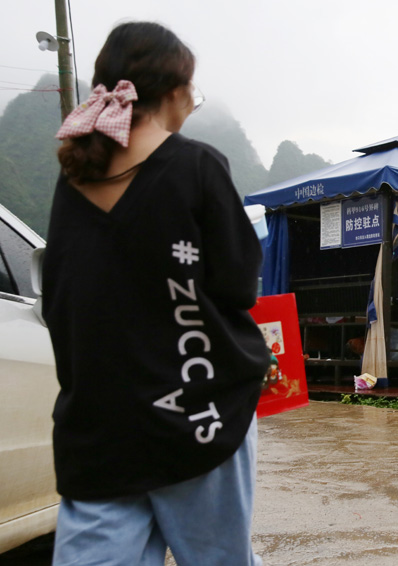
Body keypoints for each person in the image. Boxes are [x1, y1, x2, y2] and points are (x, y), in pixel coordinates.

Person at [43, 22, 269, 565]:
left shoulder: (71, 181)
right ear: (173, 91)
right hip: (198, 416)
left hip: (100, 433)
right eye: (192, 89)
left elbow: (59, 301)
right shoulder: (197, 165)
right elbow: (239, 284)